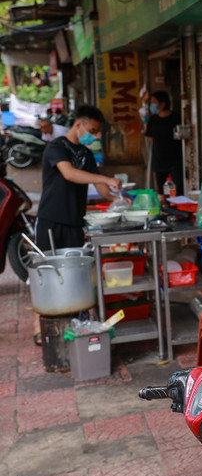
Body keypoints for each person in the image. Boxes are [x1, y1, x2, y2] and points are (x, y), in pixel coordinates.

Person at [33, 105, 122, 344]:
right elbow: (69, 174)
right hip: (51, 220)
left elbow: (101, 189)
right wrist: (105, 178)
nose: (93, 136)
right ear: (78, 125)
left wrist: (118, 200)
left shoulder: (87, 154)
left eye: (96, 133)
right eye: (91, 131)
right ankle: (42, 331)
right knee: (46, 274)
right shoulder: (56, 147)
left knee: (74, 277)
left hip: (74, 222)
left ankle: (76, 327)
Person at [144, 90, 183, 197]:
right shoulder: (153, 120)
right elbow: (150, 138)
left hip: (175, 160)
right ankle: (165, 207)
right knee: (162, 190)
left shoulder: (177, 117)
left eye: (154, 102)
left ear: (162, 104)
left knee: (177, 188)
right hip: (159, 160)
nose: (151, 105)